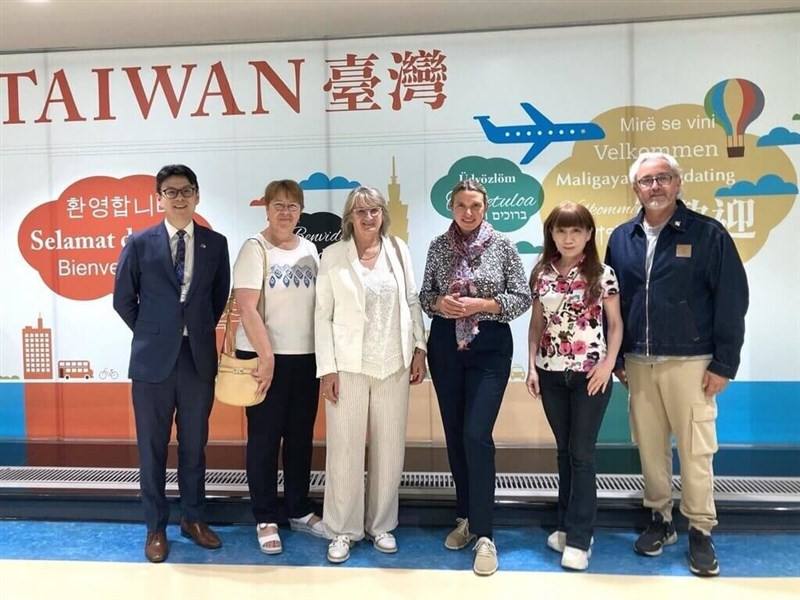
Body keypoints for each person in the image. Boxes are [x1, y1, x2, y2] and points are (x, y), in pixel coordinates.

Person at [606, 152, 749, 577]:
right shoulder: (621, 237)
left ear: (677, 182)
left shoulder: (709, 234)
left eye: (663, 178)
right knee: (650, 450)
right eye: (647, 181)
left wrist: (724, 362)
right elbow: (613, 303)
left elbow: (732, 300)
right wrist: (616, 358)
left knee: (695, 450)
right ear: (636, 188)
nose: (656, 187)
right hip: (638, 363)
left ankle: (700, 530)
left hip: (692, 362)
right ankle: (660, 519)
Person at [113, 164, 230, 563]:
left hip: (197, 360)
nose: (179, 197)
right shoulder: (140, 243)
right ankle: (156, 527)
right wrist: (154, 332)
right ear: (158, 197)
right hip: (151, 364)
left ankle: (193, 519)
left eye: (186, 190)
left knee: (195, 446)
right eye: (170, 191)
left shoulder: (215, 244)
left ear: (197, 195)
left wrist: (192, 331)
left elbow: (217, 299)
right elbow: (123, 300)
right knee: (152, 449)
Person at [419, 179, 531, 576]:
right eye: (462, 205)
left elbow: (522, 297)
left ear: (486, 208)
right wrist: (439, 303)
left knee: (475, 434)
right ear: (452, 207)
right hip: (446, 345)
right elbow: (424, 295)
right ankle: (465, 516)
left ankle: (485, 533)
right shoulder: (437, 246)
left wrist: (482, 303)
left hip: (490, 347)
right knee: (454, 432)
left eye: (476, 206)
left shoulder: (502, 245)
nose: (469, 212)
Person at [315, 186, 427, 564]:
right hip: (347, 367)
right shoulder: (332, 255)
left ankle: (382, 525)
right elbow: (322, 316)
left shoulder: (398, 250)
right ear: (349, 217)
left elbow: (412, 301)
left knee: (389, 449)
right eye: (360, 211)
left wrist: (419, 348)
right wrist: (326, 368)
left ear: (383, 213)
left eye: (374, 210)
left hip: (392, 363)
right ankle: (343, 530)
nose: (368, 218)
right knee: (344, 449)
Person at [526, 202, 622, 571]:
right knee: (564, 452)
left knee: (582, 453)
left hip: (590, 375)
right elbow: (537, 323)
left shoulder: (603, 273)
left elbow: (615, 325)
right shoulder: (541, 274)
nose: (568, 238)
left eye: (576, 231)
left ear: (589, 234)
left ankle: (581, 539)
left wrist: (608, 365)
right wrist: (531, 366)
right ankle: (566, 526)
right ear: (551, 234)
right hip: (550, 374)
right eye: (561, 231)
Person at [232, 179, 325, 555]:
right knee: (265, 439)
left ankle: (299, 509)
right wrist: (267, 357)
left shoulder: (311, 248)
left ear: (300, 211)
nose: (286, 212)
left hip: (306, 357)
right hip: (263, 357)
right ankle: (266, 516)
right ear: (266, 209)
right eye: (279, 205)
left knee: (300, 436)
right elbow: (247, 307)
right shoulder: (255, 249)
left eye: (293, 206)